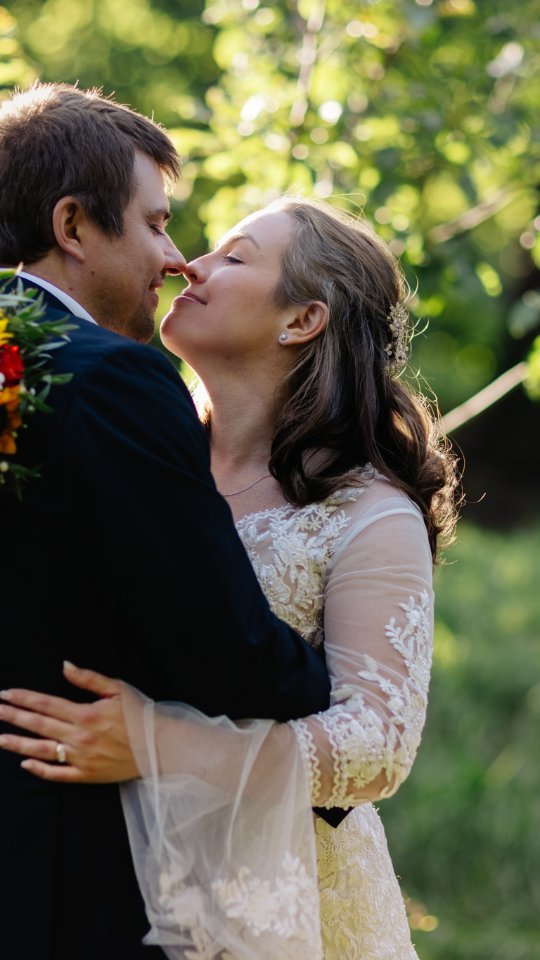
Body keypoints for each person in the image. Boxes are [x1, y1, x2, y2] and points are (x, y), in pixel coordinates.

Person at [0, 197, 460, 959]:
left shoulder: (367, 514)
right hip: (88, 875)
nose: (188, 263)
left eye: (234, 257)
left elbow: (378, 747)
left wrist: (159, 745)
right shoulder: (124, 446)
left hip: (270, 892)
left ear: (301, 320)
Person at [0, 85, 332, 960]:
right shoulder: (108, 377)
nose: (174, 257)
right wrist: (341, 701)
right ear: (73, 226)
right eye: (155, 224)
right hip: (60, 863)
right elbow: (222, 647)